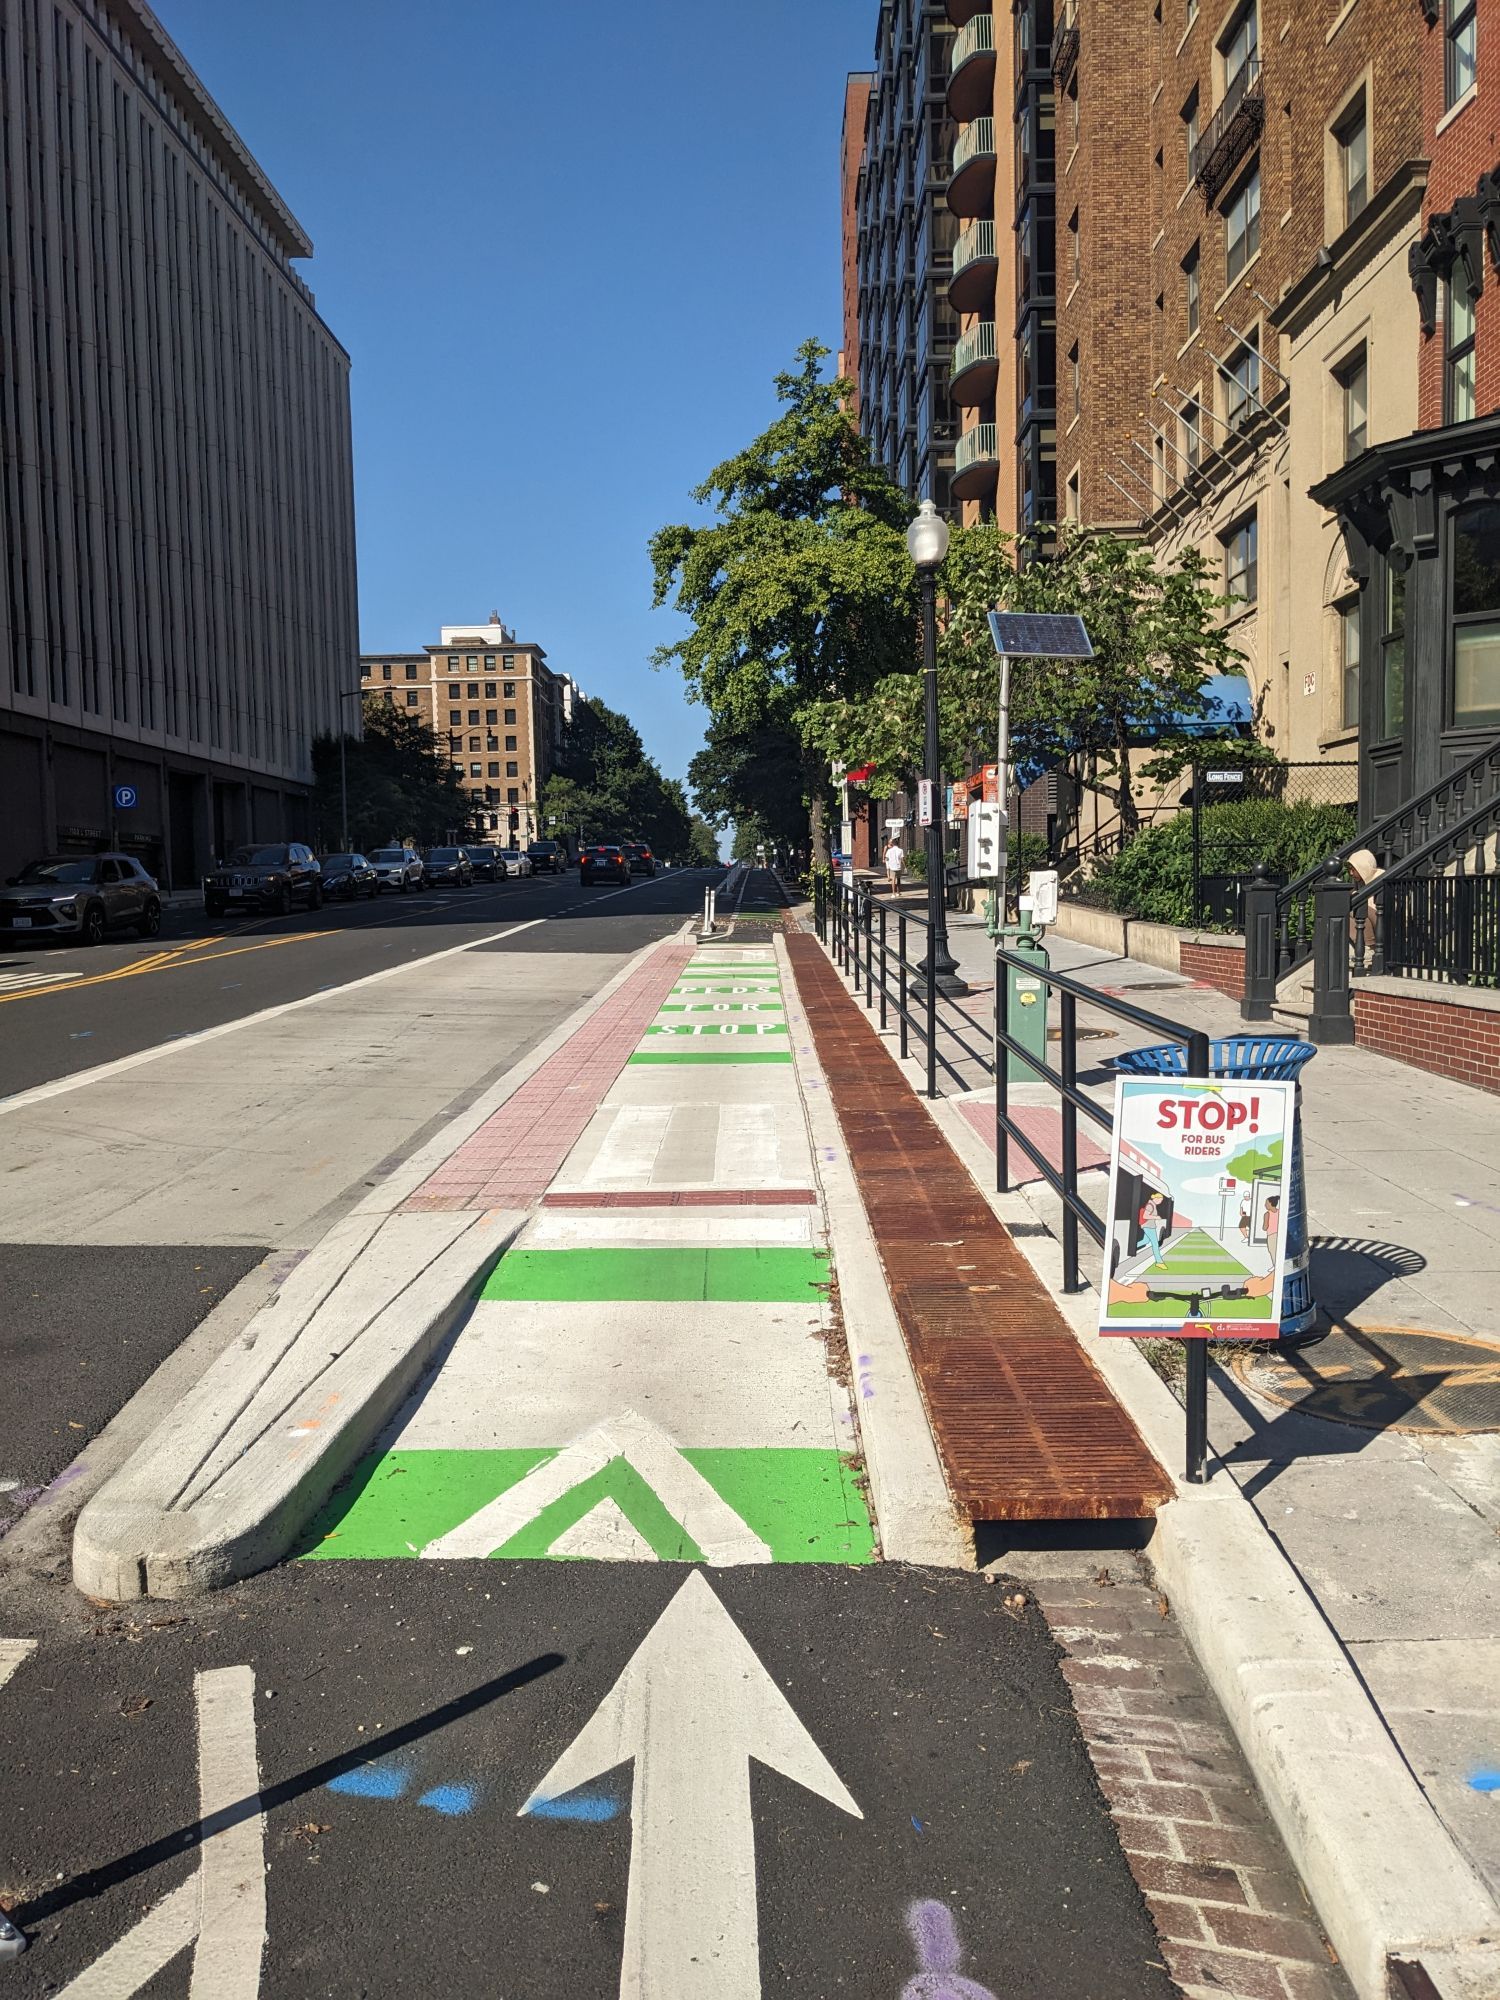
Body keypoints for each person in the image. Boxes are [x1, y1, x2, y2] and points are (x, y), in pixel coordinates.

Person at [1347, 847, 1383, 963]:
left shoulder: (1380, 878)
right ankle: (1359, 946)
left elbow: (1374, 905)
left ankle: (1370, 947)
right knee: (1345, 914)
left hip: (1383, 918)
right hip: (1371, 916)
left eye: (1354, 869)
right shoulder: (1361, 882)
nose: (1350, 873)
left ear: (1363, 868)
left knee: (1358, 907)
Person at [1138, 1189, 1166, 1268]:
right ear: (1156, 1199)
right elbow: (1145, 1216)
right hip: (1148, 1226)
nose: (1160, 1202)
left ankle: (1131, 1247)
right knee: (1155, 1244)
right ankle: (1159, 1262)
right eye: (1160, 1200)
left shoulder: (1152, 1205)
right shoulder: (1150, 1205)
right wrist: (1156, 1217)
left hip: (1149, 1226)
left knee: (1145, 1240)